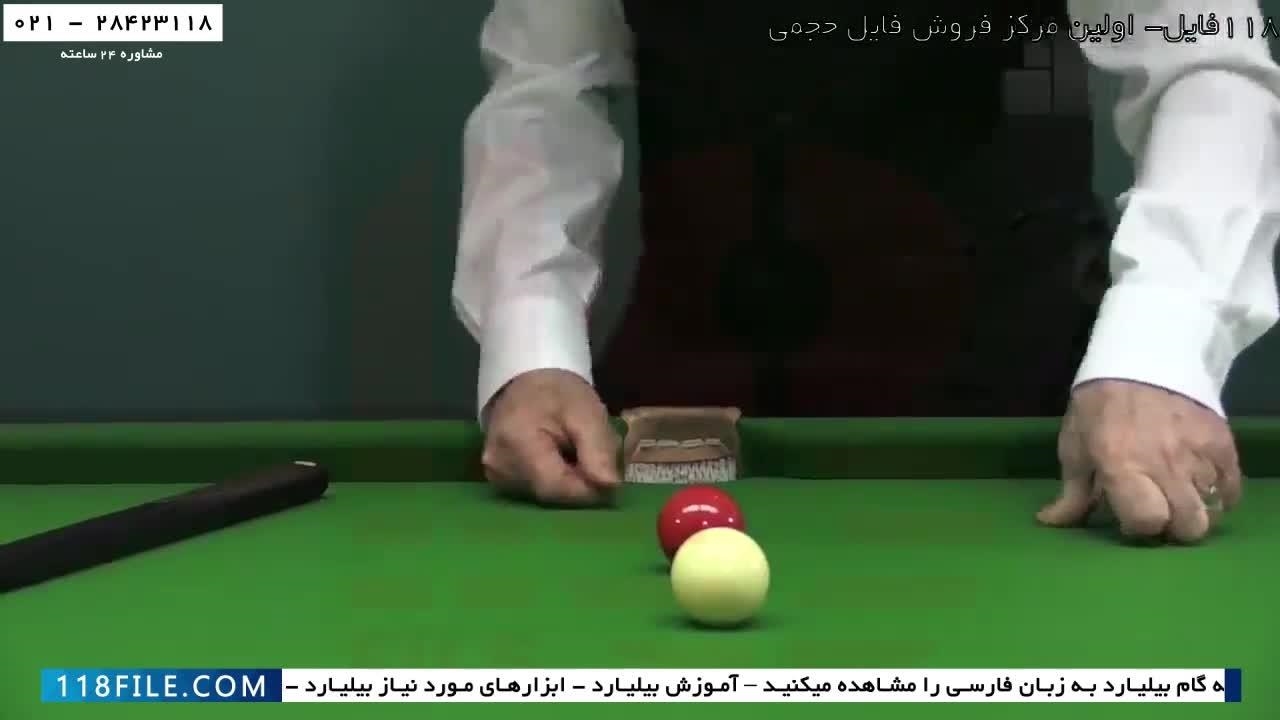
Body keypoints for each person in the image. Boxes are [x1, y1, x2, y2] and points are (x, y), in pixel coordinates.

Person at [452, 0, 1280, 543]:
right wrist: (533, 347)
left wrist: (1159, 350)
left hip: (1012, 402)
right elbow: (545, 89)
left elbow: (1205, 66)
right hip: (690, 391)